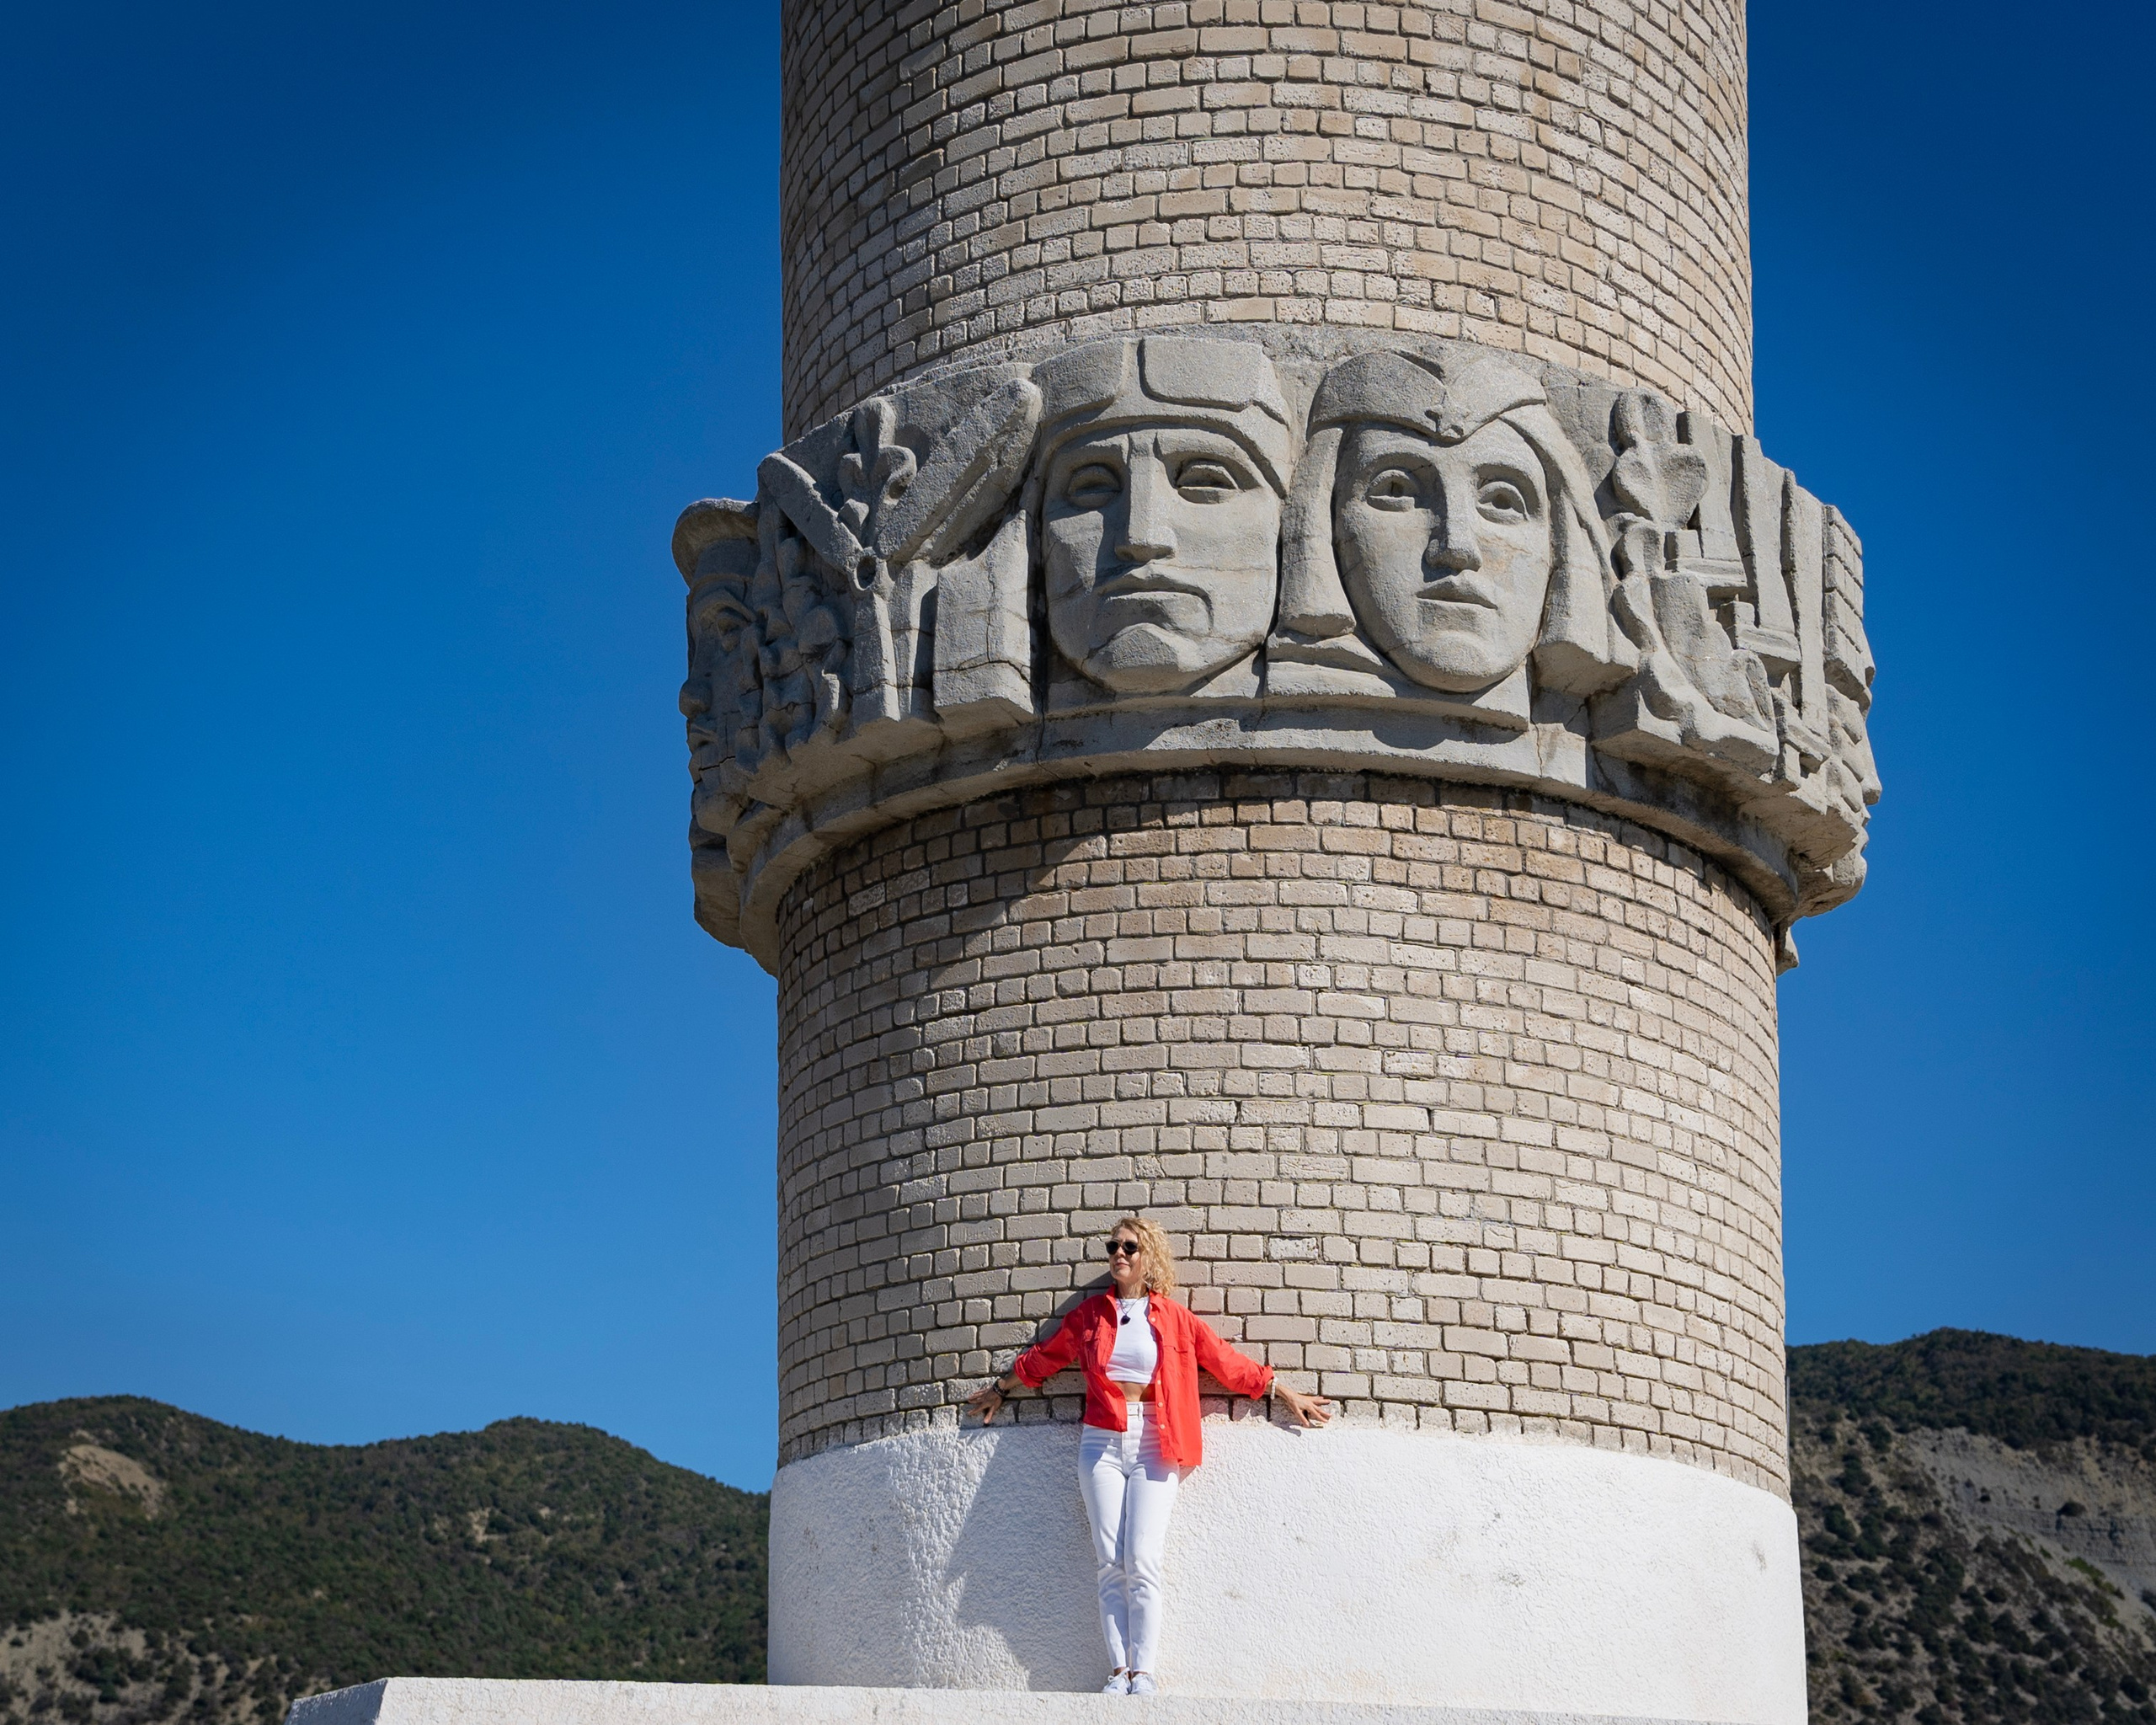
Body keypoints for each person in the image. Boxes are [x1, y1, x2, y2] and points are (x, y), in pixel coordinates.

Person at [964, 1215, 1332, 1696]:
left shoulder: (1174, 1318)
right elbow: (1046, 1358)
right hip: (1101, 1439)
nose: (1119, 1253)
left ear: (1148, 1258)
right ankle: (1118, 1671)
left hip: (1156, 1439)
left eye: (1129, 1247)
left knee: (1141, 1557)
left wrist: (1283, 1392)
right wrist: (1000, 1388)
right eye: (1112, 1246)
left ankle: (1145, 1672)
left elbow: (1226, 1362)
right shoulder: (1090, 1315)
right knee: (1108, 1559)